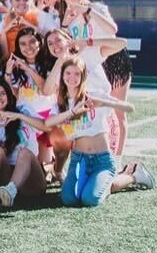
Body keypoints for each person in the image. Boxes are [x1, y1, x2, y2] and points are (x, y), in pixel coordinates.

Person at [44, 56, 134, 208]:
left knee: (90, 199)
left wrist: (105, 102)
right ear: (62, 75)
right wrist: (72, 111)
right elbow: (48, 122)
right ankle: (96, 183)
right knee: (68, 199)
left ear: (83, 76)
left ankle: (131, 175)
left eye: (77, 74)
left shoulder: (92, 95)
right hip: (79, 160)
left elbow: (130, 108)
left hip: (102, 160)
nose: (72, 78)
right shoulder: (62, 103)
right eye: (68, 73)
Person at [0, 78, 45, 207]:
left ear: (8, 94)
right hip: (5, 180)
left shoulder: (23, 109)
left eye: (2, 93)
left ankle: (11, 191)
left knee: (24, 152)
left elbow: (44, 127)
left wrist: (18, 116)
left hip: (31, 178)